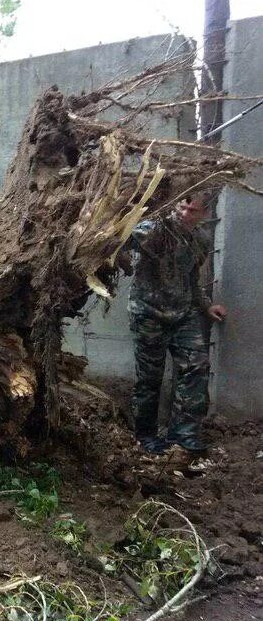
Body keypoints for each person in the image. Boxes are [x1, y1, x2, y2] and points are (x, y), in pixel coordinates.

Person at [124, 195, 227, 454]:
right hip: (148, 313)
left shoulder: (200, 240)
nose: (184, 214)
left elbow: (192, 277)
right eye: (181, 207)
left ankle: (183, 435)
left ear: (203, 215)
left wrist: (205, 305)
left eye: (192, 211)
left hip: (183, 313)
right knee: (149, 378)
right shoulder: (154, 228)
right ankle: (145, 435)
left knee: (196, 367)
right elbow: (121, 240)